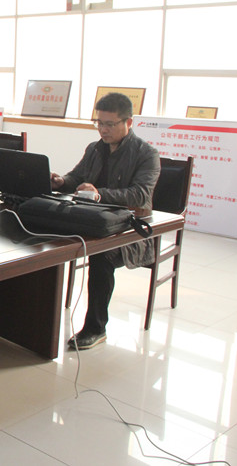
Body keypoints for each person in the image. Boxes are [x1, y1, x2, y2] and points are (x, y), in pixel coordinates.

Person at [50, 92, 160, 350]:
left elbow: (140, 195)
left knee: (102, 256)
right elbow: (77, 178)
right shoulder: (94, 148)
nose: (103, 129)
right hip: (92, 221)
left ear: (128, 122)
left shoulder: (147, 154)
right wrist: (62, 182)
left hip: (130, 230)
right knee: (45, 233)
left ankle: (96, 328)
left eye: (110, 124)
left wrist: (99, 194)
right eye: (99, 123)